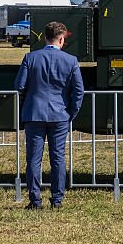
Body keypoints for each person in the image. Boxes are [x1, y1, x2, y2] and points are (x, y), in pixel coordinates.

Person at [15, 21, 84, 210]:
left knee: (34, 159)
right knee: (57, 158)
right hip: (60, 115)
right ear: (61, 39)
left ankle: (35, 200)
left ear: (45, 37)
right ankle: (57, 199)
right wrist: (71, 112)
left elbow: (19, 85)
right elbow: (78, 91)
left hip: (34, 114)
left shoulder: (31, 57)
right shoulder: (71, 61)